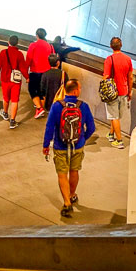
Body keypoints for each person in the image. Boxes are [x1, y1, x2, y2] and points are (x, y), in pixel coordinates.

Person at [42, 79, 96, 218]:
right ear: (75, 91)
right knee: (74, 171)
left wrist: (46, 144)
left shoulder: (56, 106)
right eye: (80, 88)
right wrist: (82, 138)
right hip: (77, 145)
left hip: (60, 146)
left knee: (62, 174)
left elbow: (49, 127)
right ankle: (72, 195)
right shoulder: (83, 106)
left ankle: (66, 203)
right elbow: (91, 127)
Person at [103, 37, 133, 149]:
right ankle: (111, 134)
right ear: (121, 46)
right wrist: (130, 91)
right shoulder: (127, 59)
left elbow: (106, 76)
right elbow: (130, 77)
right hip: (124, 91)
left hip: (112, 92)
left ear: (111, 46)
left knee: (113, 115)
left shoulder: (109, 59)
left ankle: (119, 141)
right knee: (116, 115)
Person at [0, 35, 28, 129]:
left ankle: (5, 113)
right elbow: (23, 68)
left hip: (5, 79)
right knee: (15, 100)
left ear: (8, 42)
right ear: (17, 43)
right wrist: (27, 77)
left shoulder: (3, 52)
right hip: (16, 81)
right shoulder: (19, 54)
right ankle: (12, 121)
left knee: (6, 98)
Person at [26, 28, 54, 119]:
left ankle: (39, 108)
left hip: (35, 72)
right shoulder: (50, 46)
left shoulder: (33, 45)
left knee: (32, 90)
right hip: (46, 72)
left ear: (36, 35)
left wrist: (26, 73)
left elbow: (29, 59)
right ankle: (40, 110)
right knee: (42, 92)